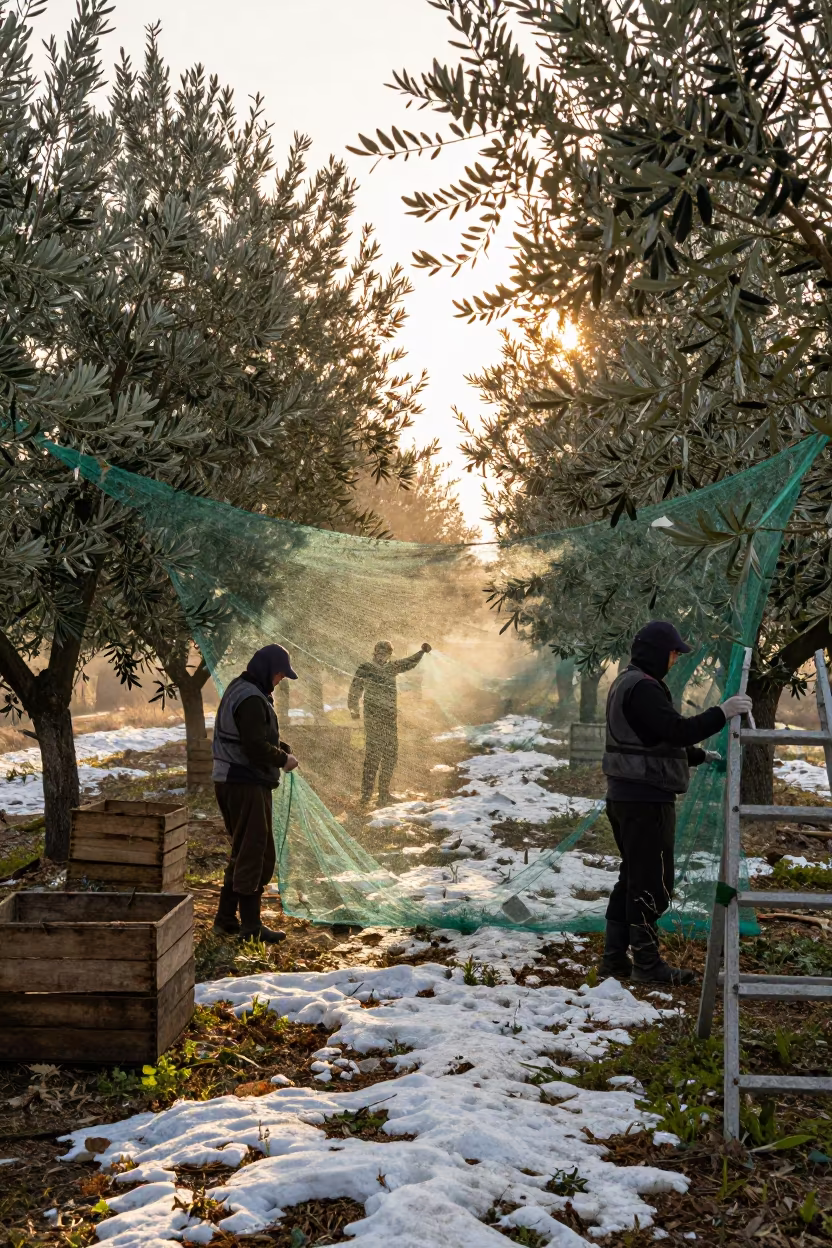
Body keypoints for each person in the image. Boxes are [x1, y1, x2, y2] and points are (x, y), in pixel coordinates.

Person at [600, 621, 753, 985]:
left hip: (626, 797)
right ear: (657, 652)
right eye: (673, 653)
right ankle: (647, 965)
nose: (675, 660)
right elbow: (676, 730)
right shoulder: (645, 689)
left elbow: (654, 741)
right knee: (652, 883)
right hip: (644, 801)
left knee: (633, 877)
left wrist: (700, 757)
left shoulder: (628, 682)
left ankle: (614, 961)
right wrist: (723, 712)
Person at [211, 644, 299, 942]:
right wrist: (282, 760)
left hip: (234, 780)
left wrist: (279, 748)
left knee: (243, 849)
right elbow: (253, 747)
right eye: (279, 674)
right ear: (267, 670)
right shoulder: (250, 698)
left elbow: (251, 736)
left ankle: (224, 919)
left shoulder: (242, 687)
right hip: (243, 782)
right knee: (255, 851)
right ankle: (251, 927)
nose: (280, 680)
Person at [349, 641, 431, 806]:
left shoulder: (392, 667)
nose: (382, 656)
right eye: (379, 652)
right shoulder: (365, 668)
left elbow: (409, 662)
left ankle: (383, 794)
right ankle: (366, 796)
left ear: (389, 654)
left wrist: (421, 652)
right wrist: (353, 709)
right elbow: (355, 689)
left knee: (390, 755)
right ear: (374, 652)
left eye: (385, 653)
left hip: (389, 719)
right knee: (373, 756)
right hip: (372, 719)